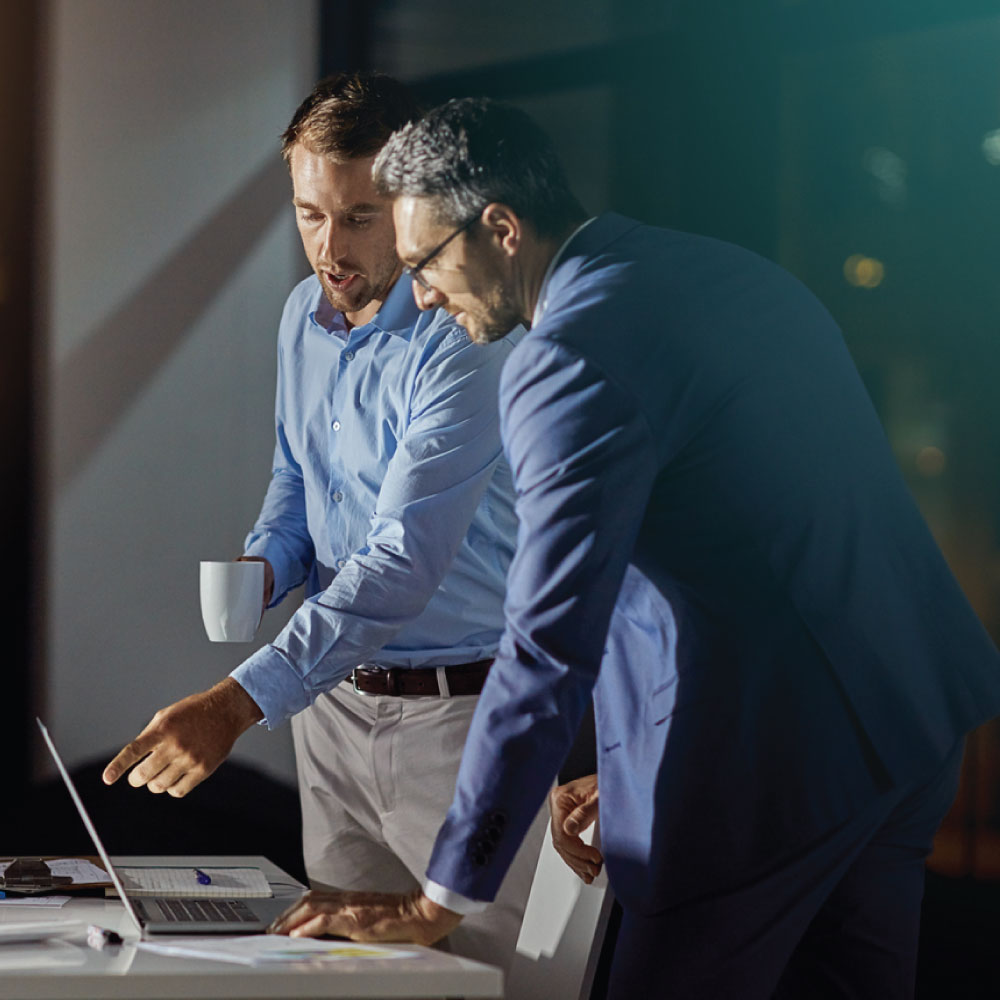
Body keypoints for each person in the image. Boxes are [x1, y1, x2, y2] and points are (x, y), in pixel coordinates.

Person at [269, 97, 1000, 999]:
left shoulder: (565, 359)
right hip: (910, 718)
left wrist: (437, 901)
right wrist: (625, 765)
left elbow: (548, 644)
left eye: (425, 261)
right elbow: (744, 537)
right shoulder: (722, 273)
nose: (419, 293)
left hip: (764, 772)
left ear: (500, 228)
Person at [101, 77, 547, 973]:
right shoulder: (297, 318)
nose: (328, 248)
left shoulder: (465, 335)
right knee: (345, 978)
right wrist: (268, 563)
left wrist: (235, 703)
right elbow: (296, 478)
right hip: (332, 713)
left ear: (415, 208)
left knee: (500, 983)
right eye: (310, 214)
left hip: (458, 721)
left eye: (359, 218)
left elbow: (402, 559)